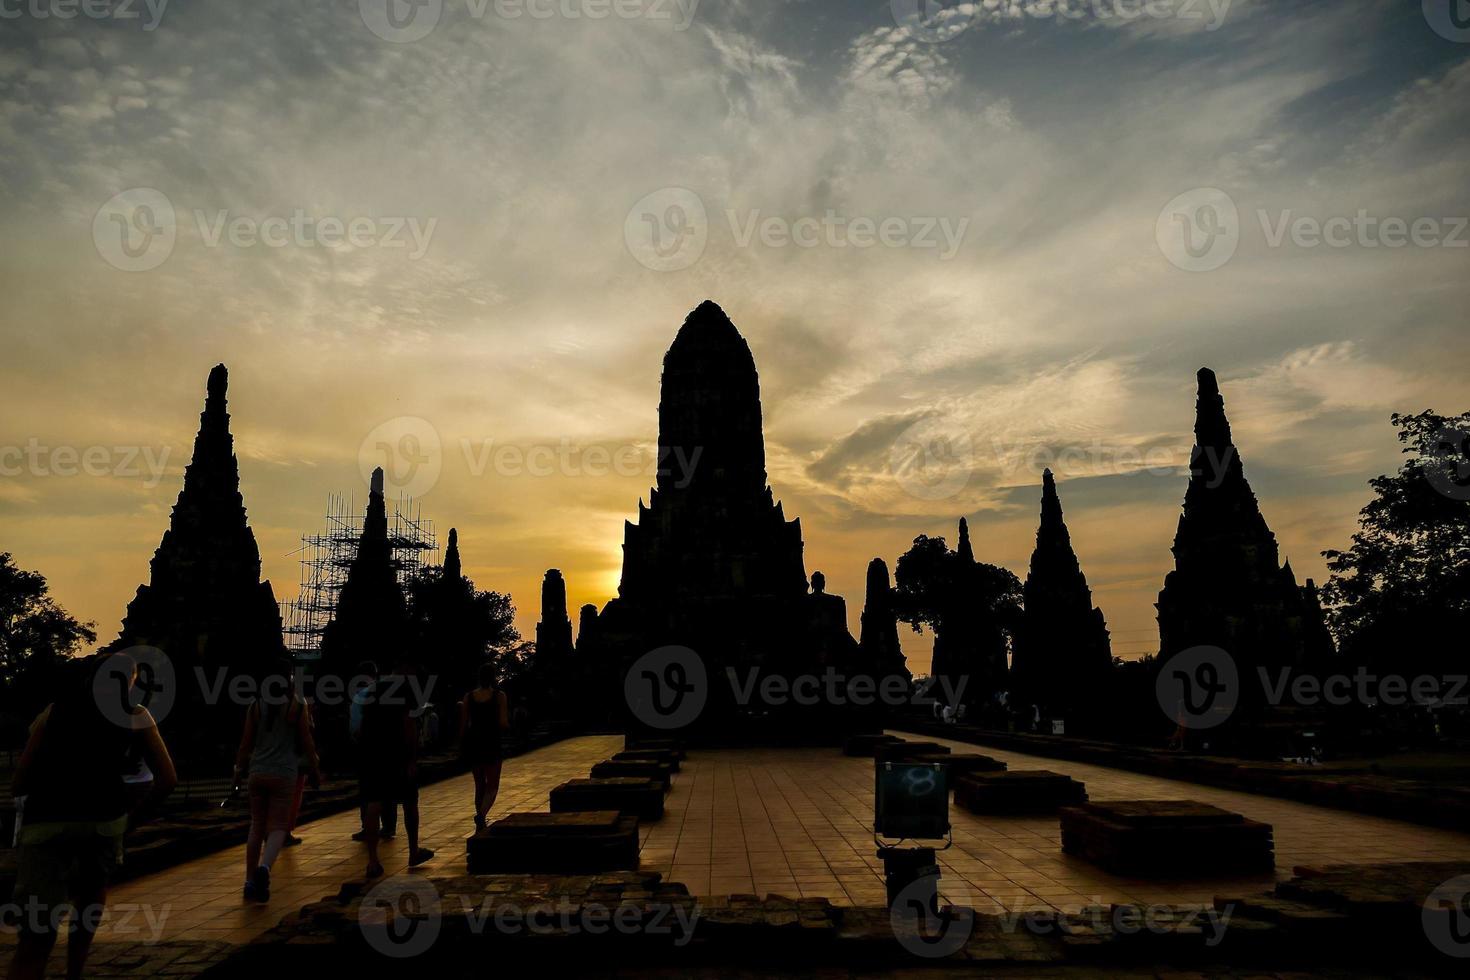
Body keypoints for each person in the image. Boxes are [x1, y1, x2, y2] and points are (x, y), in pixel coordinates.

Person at [8, 653, 177, 980]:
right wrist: (131, 820)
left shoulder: (55, 711)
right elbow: (167, 779)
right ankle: (75, 972)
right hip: (104, 822)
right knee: (90, 895)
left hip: (47, 821)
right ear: (128, 682)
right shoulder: (135, 714)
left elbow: (19, 781)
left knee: (34, 940)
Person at [233, 659, 321, 902]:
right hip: (284, 772)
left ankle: (249, 881)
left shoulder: (255, 706)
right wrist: (314, 768)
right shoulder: (296, 705)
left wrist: (238, 771)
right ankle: (265, 868)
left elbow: (245, 744)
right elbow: (307, 742)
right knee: (279, 827)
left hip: (257, 771)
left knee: (256, 826)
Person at [359, 663, 433, 877]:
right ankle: (413, 850)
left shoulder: (372, 691)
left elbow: (363, 724)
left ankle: (372, 860)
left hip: (372, 754)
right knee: (410, 803)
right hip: (397, 754)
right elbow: (408, 724)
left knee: (373, 805)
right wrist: (411, 759)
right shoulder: (405, 691)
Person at [459, 663, 509, 831]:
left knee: (479, 784)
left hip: (474, 742)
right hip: (492, 741)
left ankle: (481, 815)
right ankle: (481, 815)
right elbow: (503, 722)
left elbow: (464, 724)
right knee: (492, 785)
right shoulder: (499, 696)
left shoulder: (469, 697)